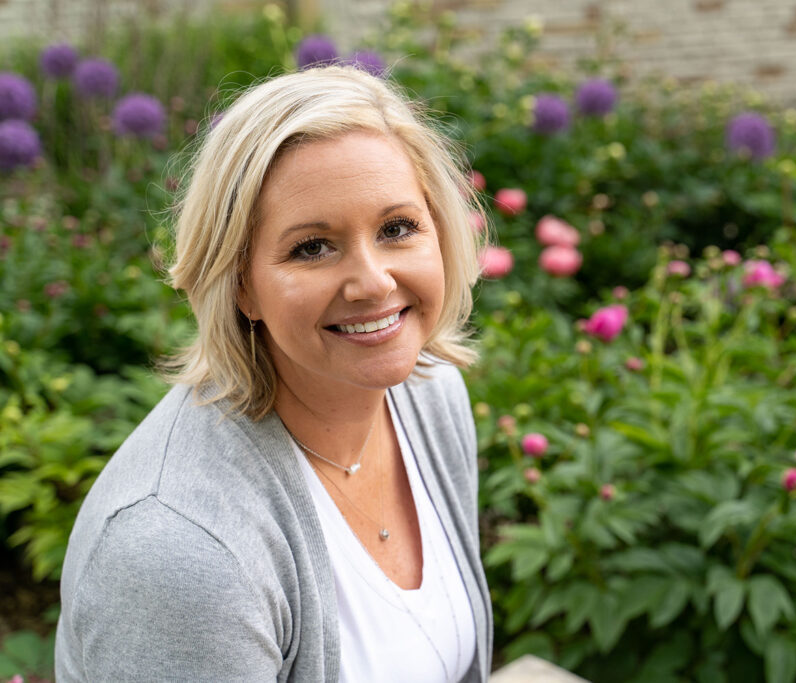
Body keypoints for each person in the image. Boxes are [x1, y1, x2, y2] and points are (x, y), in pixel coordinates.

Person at [55, 65, 492, 682]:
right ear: (241, 286)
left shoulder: (429, 391)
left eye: (397, 228)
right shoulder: (178, 548)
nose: (373, 283)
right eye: (312, 247)